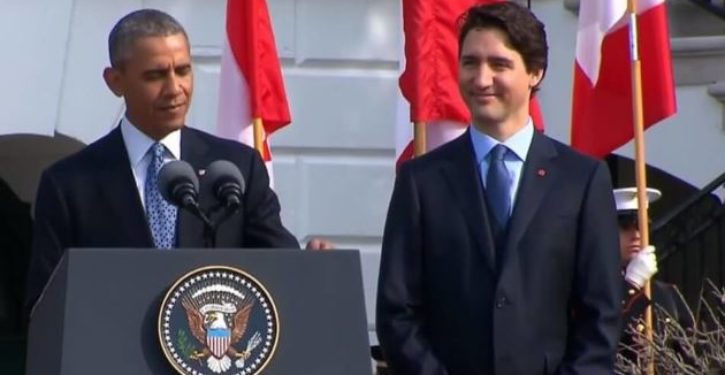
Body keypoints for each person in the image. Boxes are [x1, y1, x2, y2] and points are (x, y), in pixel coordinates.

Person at [25, 9, 330, 314]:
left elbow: (279, 266)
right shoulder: (70, 183)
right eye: (155, 75)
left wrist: (311, 266)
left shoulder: (236, 168)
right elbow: (44, 306)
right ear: (115, 81)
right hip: (114, 355)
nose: (175, 89)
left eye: (183, 71)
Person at [376, 2, 622, 374]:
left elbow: (601, 315)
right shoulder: (420, 182)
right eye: (470, 62)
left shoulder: (582, 180)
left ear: (535, 73)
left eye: (499, 64)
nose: (481, 79)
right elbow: (397, 313)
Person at [615, 187, 694, 363]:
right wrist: (632, 285)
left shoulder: (667, 294)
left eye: (640, 226)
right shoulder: (591, 288)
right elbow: (601, 339)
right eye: (625, 226)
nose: (636, 235)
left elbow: (689, 358)